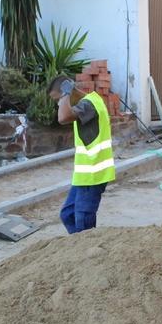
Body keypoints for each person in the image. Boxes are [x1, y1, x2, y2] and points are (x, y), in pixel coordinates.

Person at [51, 75, 115, 234]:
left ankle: (89, 251)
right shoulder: (86, 104)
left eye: (58, 99)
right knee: (68, 215)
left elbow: (63, 117)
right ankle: (79, 249)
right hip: (84, 175)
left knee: (83, 221)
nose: (59, 104)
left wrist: (65, 94)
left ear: (68, 91)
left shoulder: (89, 104)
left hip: (94, 174)